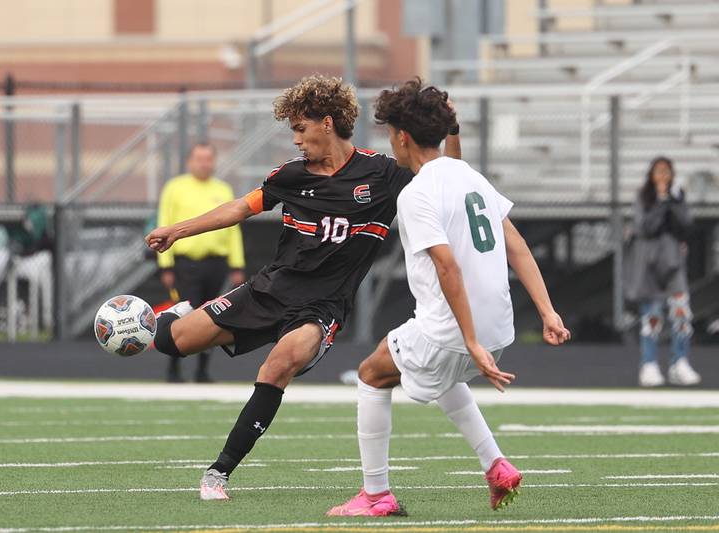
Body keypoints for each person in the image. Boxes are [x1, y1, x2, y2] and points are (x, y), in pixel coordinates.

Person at [145, 74, 461, 501]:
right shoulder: (290, 177)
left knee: (279, 363)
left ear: (327, 123)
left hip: (322, 306)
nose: (295, 139)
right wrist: (178, 231)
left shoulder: (383, 174)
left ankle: (218, 473)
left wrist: (453, 131)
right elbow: (240, 207)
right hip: (269, 289)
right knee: (171, 342)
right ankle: (174, 315)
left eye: (300, 128)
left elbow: (448, 175)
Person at [327, 79, 571, 517]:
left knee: (371, 374)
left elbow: (447, 267)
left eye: (391, 134)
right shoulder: (471, 178)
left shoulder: (416, 193)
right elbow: (516, 244)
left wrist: (471, 341)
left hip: (458, 331)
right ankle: (496, 465)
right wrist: (548, 312)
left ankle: (376, 495)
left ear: (402, 137)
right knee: (442, 376)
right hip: (499, 330)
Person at [156, 143, 246, 383]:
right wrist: (165, 265)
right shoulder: (175, 188)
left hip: (216, 263)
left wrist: (236, 265)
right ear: (189, 161)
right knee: (184, 313)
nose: (204, 163)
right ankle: (173, 368)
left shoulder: (223, 189)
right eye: (199, 159)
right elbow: (165, 222)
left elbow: (233, 230)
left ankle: (202, 370)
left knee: (212, 314)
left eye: (208, 159)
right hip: (186, 264)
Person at [629, 157, 700, 387]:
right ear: (651, 174)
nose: (663, 177)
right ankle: (649, 364)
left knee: (681, 312)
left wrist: (673, 202)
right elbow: (645, 227)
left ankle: (680, 361)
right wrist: (660, 202)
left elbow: (686, 226)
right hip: (649, 265)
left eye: (666, 172)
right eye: (658, 172)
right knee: (652, 316)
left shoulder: (676, 198)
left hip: (673, 264)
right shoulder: (643, 197)